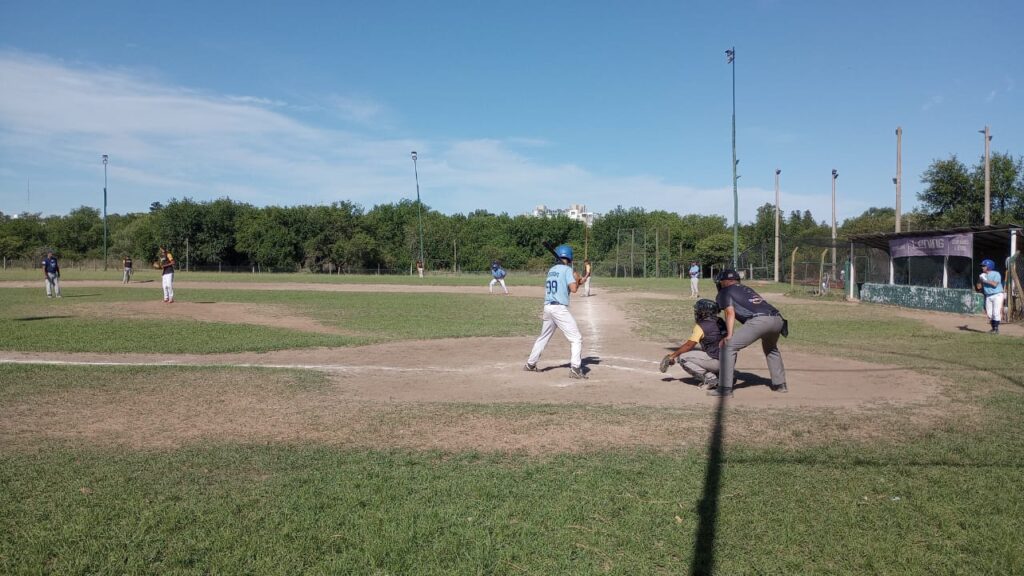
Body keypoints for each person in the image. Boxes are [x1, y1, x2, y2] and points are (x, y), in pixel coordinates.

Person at [711, 269, 787, 397]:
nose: (719, 284)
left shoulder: (725, 291)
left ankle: (724, 388)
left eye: (721, 281)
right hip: (778, 320)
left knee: (728, 347)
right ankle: (780, 384)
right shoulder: (746, 289)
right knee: (771, 349)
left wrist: (729, 335)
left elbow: (730, 312)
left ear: (726, 281)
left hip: (760, 321)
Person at [524, 244, 591, 379]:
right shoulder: (567, 270)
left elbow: (567, 285)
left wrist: (578, 280)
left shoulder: (552, 270)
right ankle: (575, 369)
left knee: (543, 337)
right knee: (576, 338)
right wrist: (577, 281)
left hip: (548, 307)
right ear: (570, 258)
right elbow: (573, 289)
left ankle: (530, 364)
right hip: (559, 309)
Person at [662, 299, 725, 389]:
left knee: (683, 358)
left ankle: (711, 379)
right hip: (729, 361)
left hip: (716, 362)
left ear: (705, 312)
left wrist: (672, 356)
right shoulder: (721, 321)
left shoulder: (701, 326)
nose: (697, 312)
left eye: (699, 310)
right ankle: (723, 375)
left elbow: (689, 346)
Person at [979, 259, 1004, 334]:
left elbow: (995, 284)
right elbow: (979, 287)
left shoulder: (996, 274)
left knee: (996, 312)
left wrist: (985, 280)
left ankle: (995, 329)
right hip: (988, 296)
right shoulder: (983, 275)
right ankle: (993, 329)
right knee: (989, 314)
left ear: (989, 266)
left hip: (997, 295)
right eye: (982, 266)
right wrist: (980, 280)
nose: (982, 267)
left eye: (984, 266)